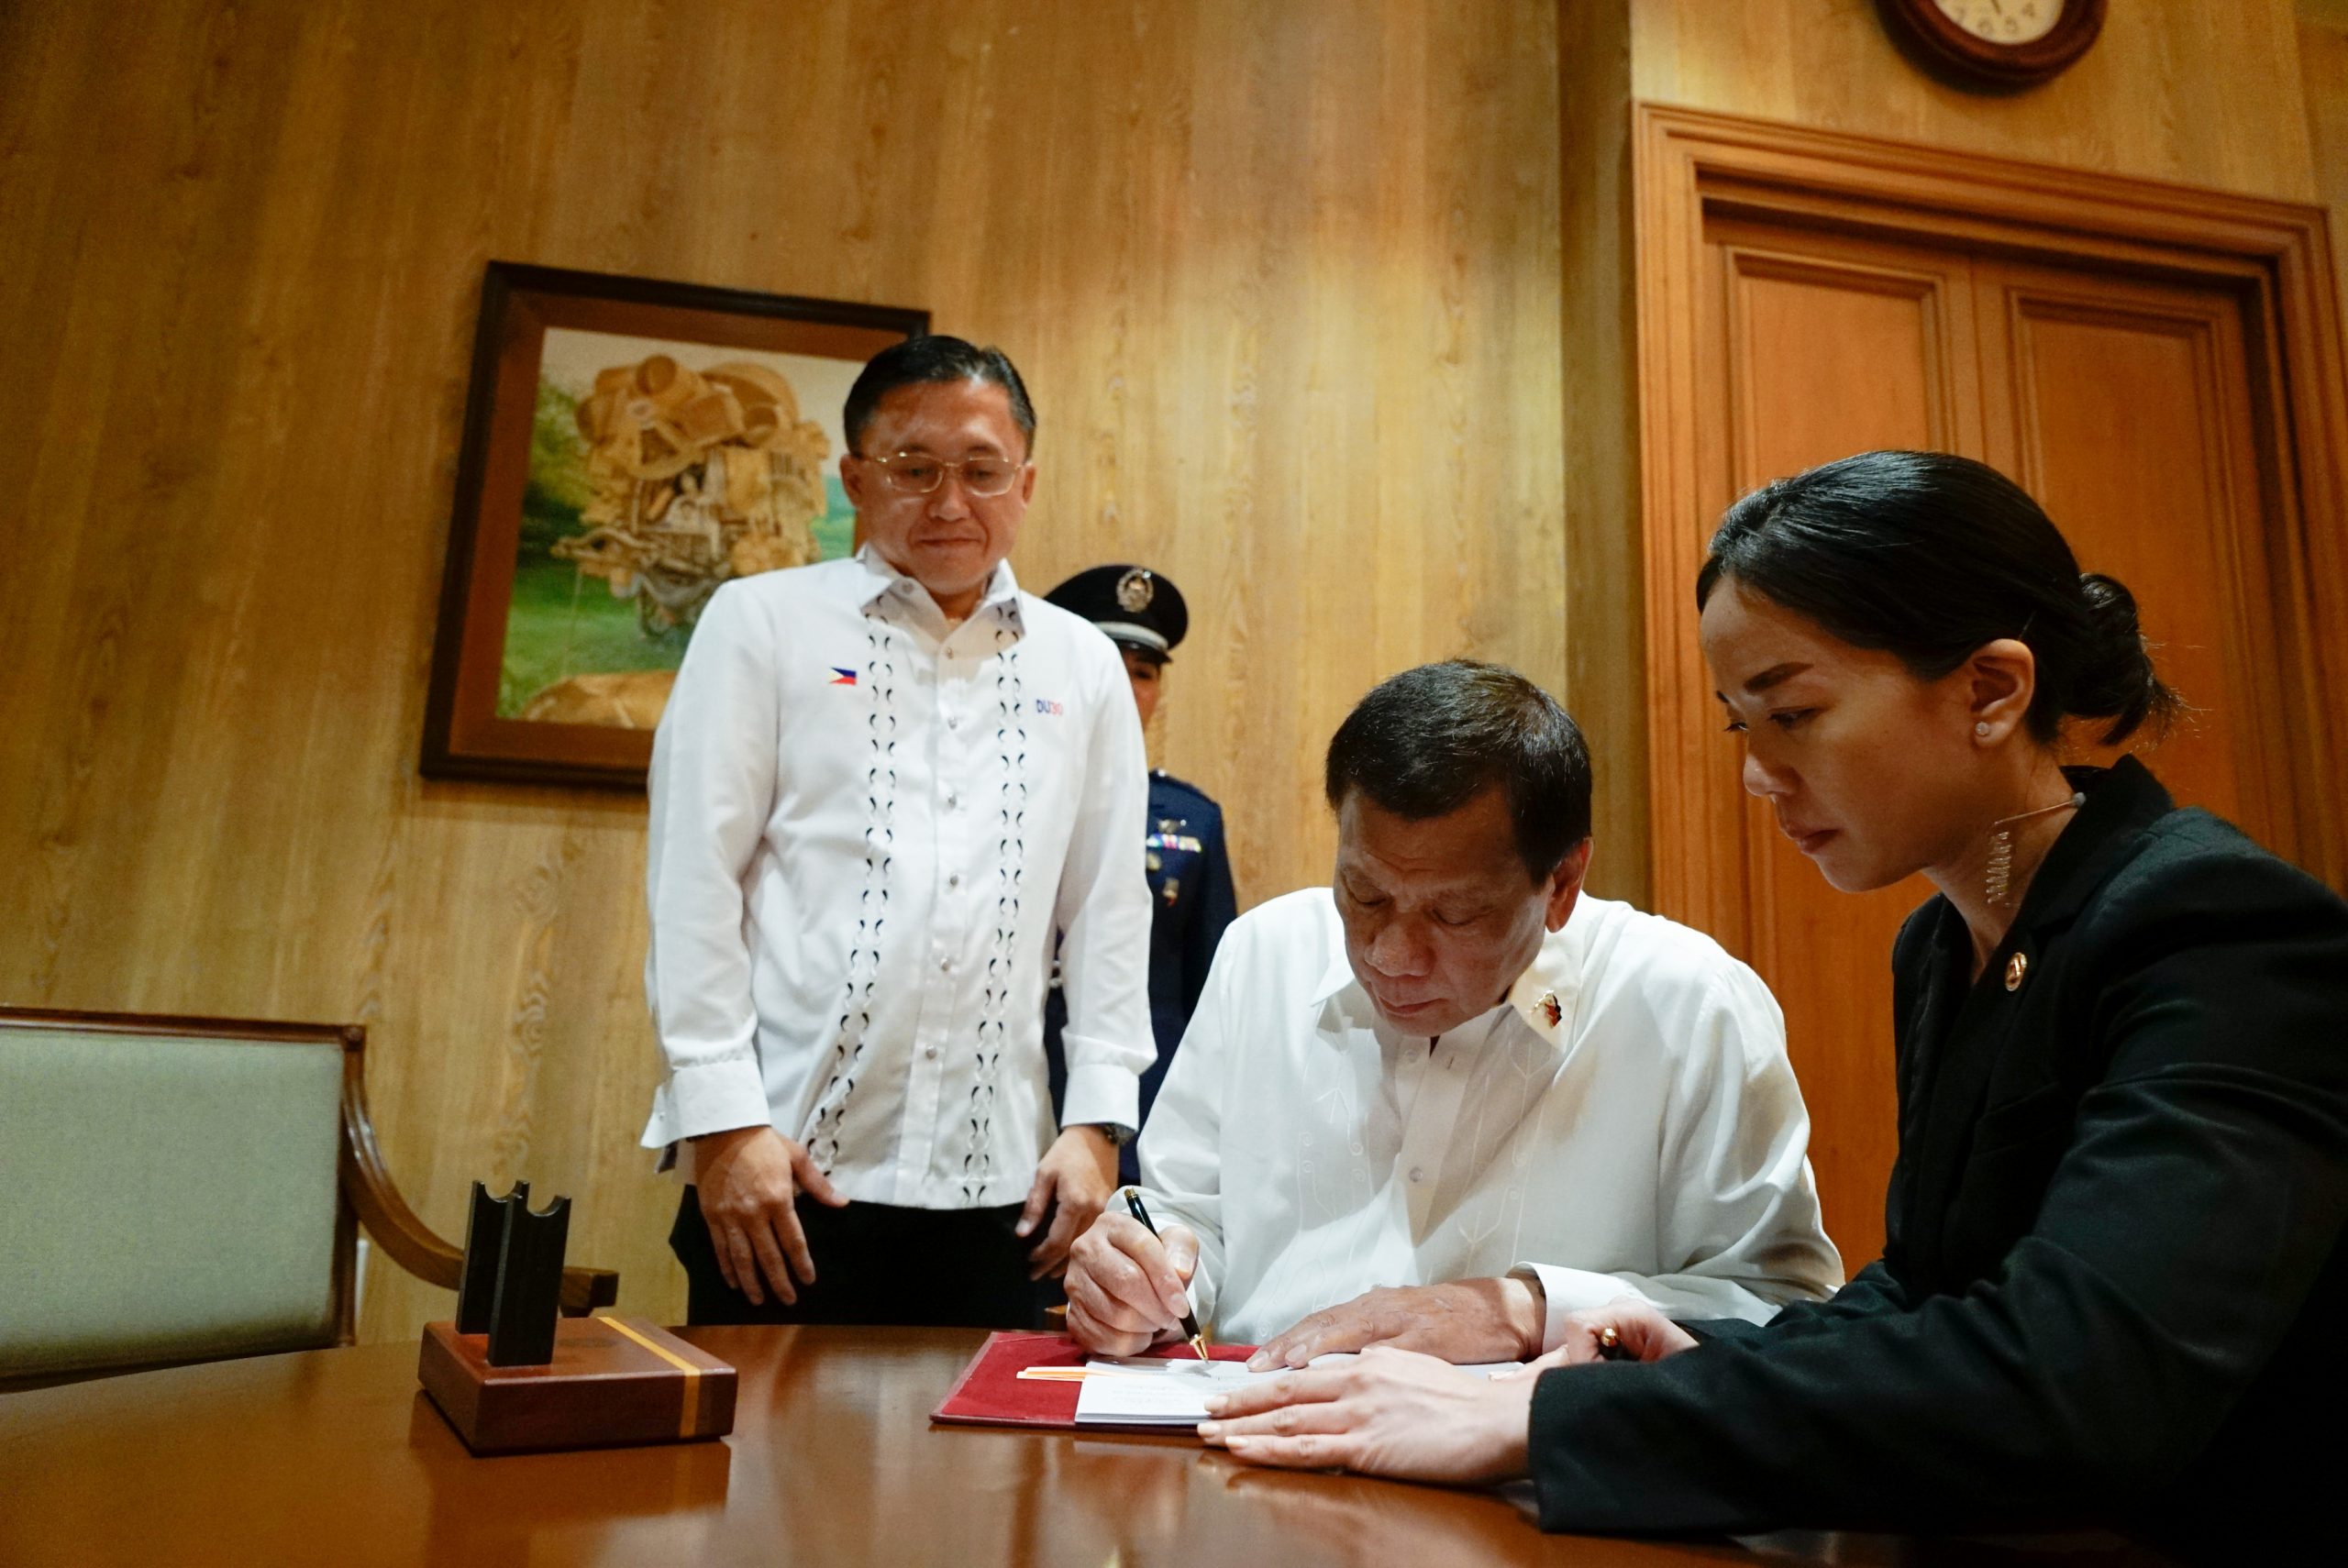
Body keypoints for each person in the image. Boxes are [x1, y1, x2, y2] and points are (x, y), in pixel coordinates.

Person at [1194, 452, 2348, 1562]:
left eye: (1792, 714)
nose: (1757, 772)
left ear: (1990, 689)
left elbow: (2074, 1380)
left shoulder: (2215, 926)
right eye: (1742, 725)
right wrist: (1671, 1356)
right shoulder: (1946, 944)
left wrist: (1537, 1423)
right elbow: (1921, 1295)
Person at [1060, 659, 1842, 1365]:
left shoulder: (1686, 1004)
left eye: (1456, 916)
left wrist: (1531, 1311)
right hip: (1247, 1433)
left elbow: (1781, 1306)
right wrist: (1141, 1280)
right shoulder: (1264, 954)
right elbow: (1185, 1216)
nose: (1391, 955)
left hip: (1529, 1484)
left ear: (1562, 882)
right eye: (1364, 895)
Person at [638, 335, 1155, 1328]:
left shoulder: (1083, 665)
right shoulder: (760, 624)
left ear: (1027, 481)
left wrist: (1096, 1125)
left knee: (976, 1478)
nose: (950, 502)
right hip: (783, 1175)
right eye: (913, 470)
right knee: (764, 1477)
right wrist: (722, 1122)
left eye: (980, 470)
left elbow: (1106, 913)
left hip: (1005, 1188)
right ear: (854, 480)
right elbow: (693, 881)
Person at [1040, 563, 1238, 1186]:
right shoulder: (1009, 805)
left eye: (1143, 674)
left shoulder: (1192, 820)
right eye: (1107, 667)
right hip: (1015, 1095)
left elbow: (1212, 996)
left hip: (1140, 1115)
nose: (1125, 690)